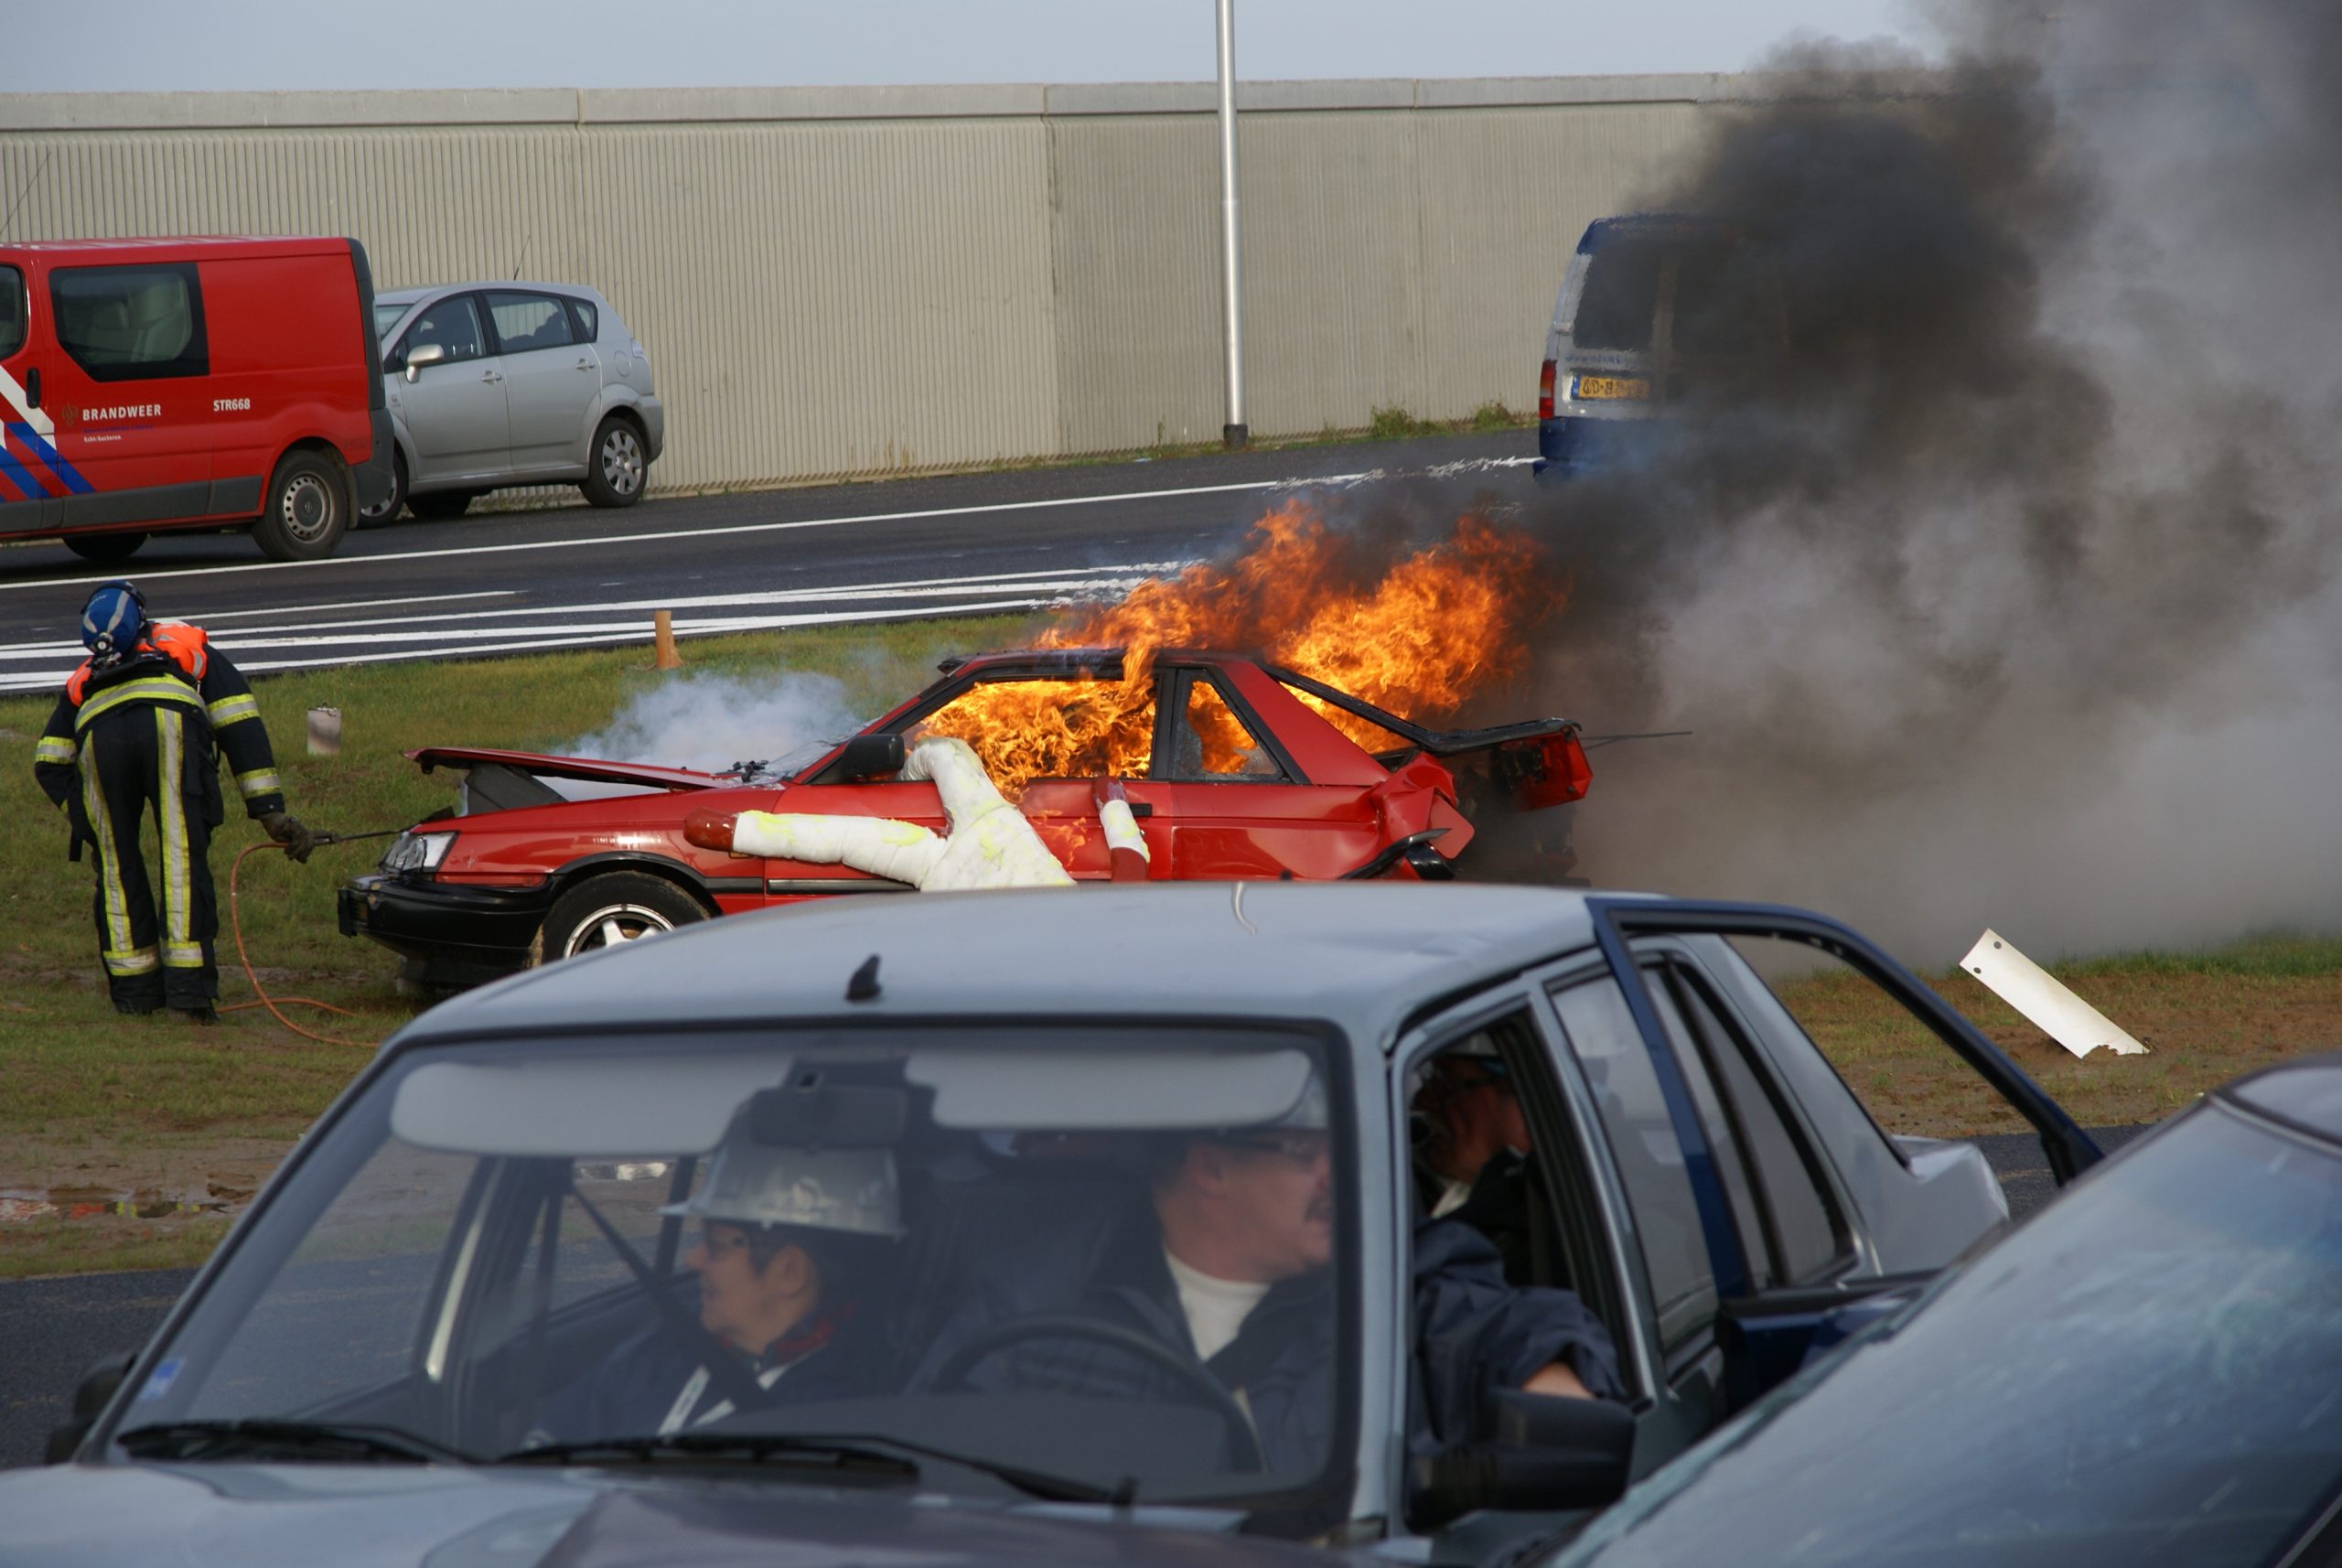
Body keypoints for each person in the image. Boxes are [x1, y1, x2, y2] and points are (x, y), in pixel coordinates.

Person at [913, 1072, 1621, 1476]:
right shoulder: (1031, 1300)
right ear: (1210, 1167)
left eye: (1339, 1147)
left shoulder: (1392, 1278)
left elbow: (1500, 1322)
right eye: (1302, 1152)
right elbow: (930, 1467)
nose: (1338, 1175)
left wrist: (1550, 1381)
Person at [525, 1112, 902, 1446]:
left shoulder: (851, 1411)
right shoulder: (664, 1349)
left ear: (790, 1271)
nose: (693, 1258)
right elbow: (553, 1438)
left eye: (716, 1245)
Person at [32, 580, 315, 1022]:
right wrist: (271, 813)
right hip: (169, 727)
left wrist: (89, 822)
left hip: (97, 738)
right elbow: (239, 722)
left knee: (116, 867)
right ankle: (189, 996)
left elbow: (49, 760)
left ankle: (135, 995)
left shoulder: (86, 675)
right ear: (142, 617)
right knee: (181, 858)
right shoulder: (183, 642)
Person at [1411, 1040, 1545, 1285]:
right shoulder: (1413, 1182)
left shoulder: (1541, 1241)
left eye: (1446, 1085)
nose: (1423, 1102)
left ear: (1525, 1110)